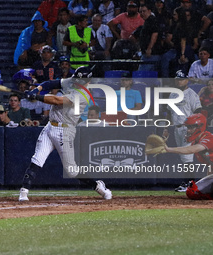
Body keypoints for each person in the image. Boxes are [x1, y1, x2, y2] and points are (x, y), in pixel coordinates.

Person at [18, 66, 112, 201]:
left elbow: (58, 101)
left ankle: (98, 186)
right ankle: (24, 192)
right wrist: (35, 90)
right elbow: (50, 83)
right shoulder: (74, 80)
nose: (75, 82)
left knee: (71, 171)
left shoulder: (83, 95)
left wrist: (36, 97)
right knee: (37, 159)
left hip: (65, 130)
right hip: (50, 126)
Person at [165, 113, 213, 199]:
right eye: (188, 128)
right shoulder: (196, 142)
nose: (188, 130)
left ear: (199, 127)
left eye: (190, 128)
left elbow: (191, 150)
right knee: (192, 191)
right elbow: (211, 166)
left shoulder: (208, 138)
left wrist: (168, 149)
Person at [166, 70, 202, 168]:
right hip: (176, 128)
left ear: (187, 80)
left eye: (181, 80)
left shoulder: (191, 94)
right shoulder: (173, 94)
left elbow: (198, 112)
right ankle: (188, 182)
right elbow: (169, 112)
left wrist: (193, 129)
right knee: (182, 157)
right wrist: (166, 128)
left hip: (187, 129)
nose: (179, 82)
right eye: (177, 80)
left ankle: (190, 182)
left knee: (187, 157)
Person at [134, 4, 163, 71]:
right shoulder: (146, 22)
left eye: (144, 11)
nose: (142, 13)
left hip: (152, 54)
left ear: (149, 11)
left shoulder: (152, 20)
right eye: (140, 12)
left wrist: (149, 48)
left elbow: (155, 34)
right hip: (147, 53)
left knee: (143, 76)